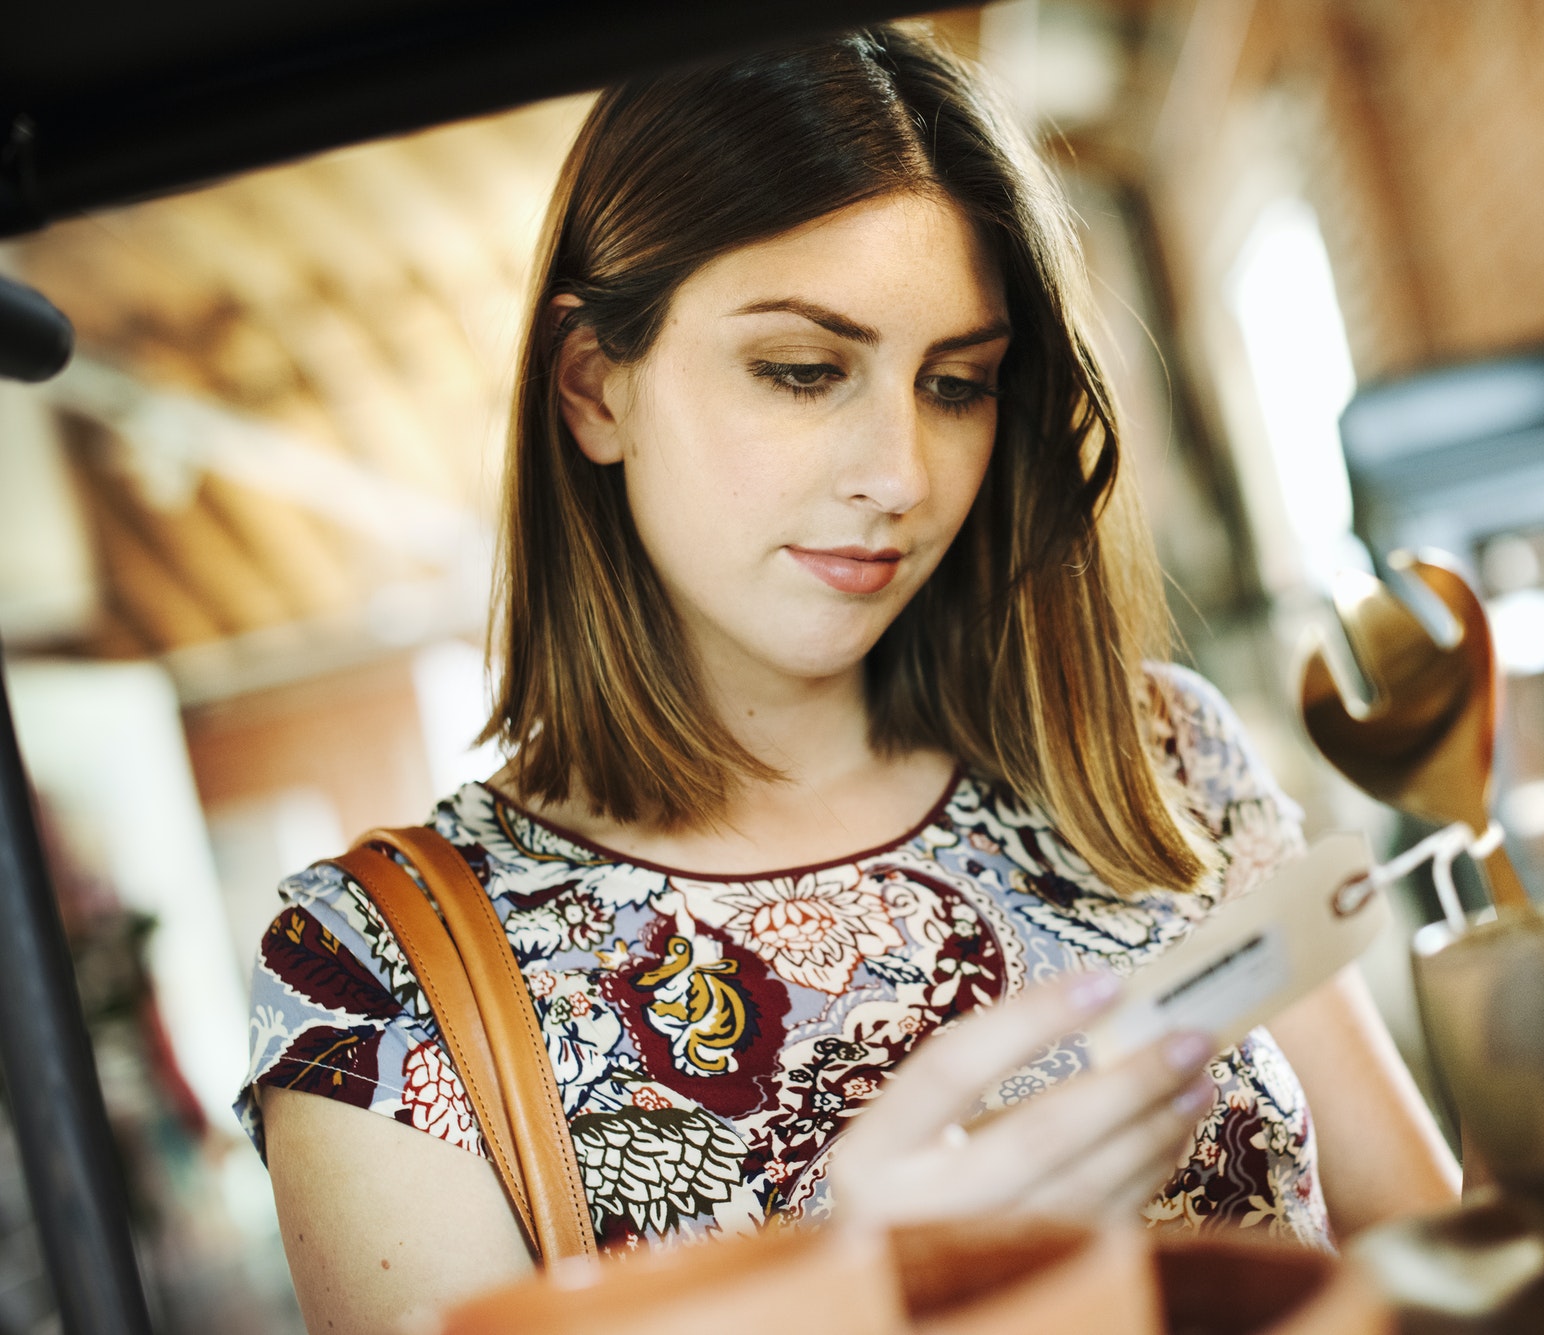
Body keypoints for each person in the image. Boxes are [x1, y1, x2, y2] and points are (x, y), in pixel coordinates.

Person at [239, 24, 1458, 1335]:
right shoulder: (379, 975)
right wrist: (870, 1299)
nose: (902, 474)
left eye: (958, 384)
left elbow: (1431, 1263)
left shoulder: (1156, 759)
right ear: (595, 387)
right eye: (805, 371)